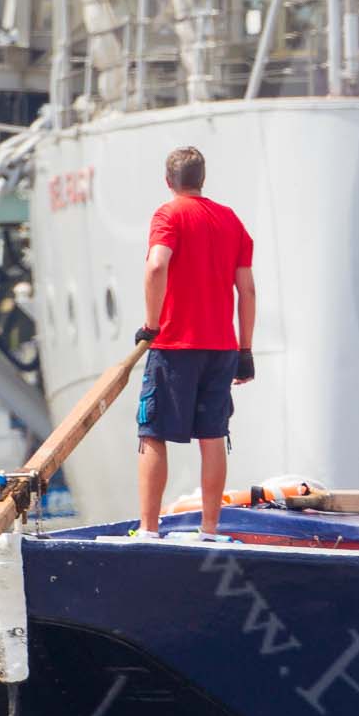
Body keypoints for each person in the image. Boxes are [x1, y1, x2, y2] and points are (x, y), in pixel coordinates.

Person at [134, 146, 255, 536]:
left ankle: (149, 530)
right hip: (221, 347)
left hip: (174, 346)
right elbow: (247, 290)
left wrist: (152, 325)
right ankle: (209, 530)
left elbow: (156, 265)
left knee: (152, 434)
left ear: (168, 181)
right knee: (213, 435)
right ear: (202, 179)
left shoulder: (168, 214)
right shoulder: (230, 221)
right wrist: (245, 351)